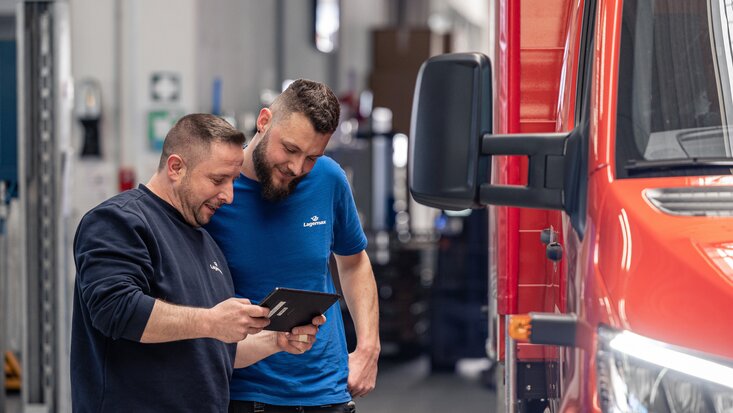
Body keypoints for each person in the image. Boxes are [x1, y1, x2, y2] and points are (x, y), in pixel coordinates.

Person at [71, 113, 323, 413]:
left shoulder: (207, 244)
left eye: (233, 181)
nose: (228, 196)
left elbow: (214, 351)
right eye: (218, 180)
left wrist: (276, 341)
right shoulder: (119, 221)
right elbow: (115, 310)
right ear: (176, 167)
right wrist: (213, 321)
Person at [206, 79, 380, 413]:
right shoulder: (216, 190)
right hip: (245, 393)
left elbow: (354, 262)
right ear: (264, 121)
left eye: (312, 157)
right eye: (289, 149)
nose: (297, 168)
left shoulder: (328, 178)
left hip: (328, 391)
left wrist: (368, 349)